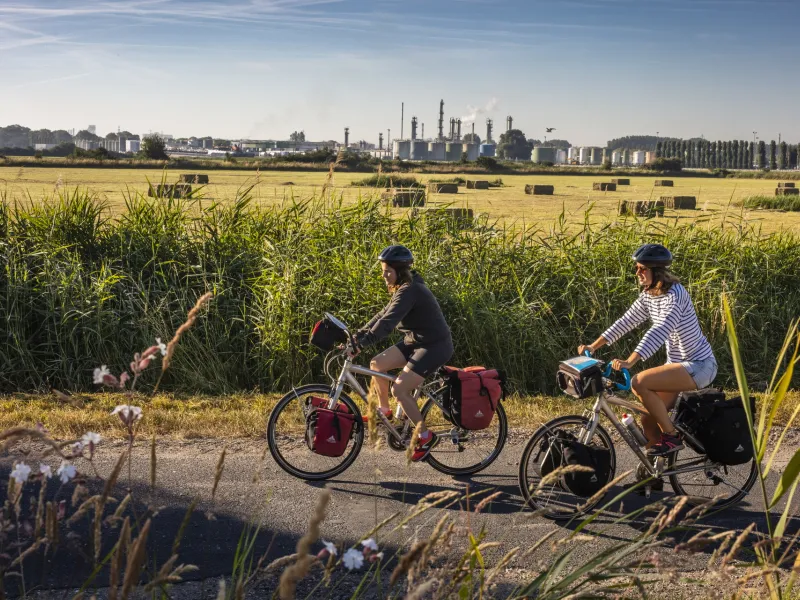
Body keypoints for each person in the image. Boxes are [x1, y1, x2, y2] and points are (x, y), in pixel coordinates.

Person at [579, 243, 717, 458]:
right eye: (637, 268)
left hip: (699, 366)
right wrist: (593, 346)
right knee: (647, 419)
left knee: (639, 382)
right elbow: (626, 321)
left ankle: (671, 437)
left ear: (656, 271)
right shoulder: (649, 295)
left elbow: (660, 329)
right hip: (678, 366)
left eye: (642, 268)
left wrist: (630, 361)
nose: (637, 272)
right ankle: (655, 477)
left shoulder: (675, 295)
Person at [350, 245, 454, 462]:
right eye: (382, 270)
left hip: (434, 346)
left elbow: (388, 323)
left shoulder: (410, 290)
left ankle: (425, 436)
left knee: (400, 389)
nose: (383, 275)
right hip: (415, 341)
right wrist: (357, 337)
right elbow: (382, 315)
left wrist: (363, 342)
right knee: (377, 363)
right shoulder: (403, 288)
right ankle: (384, 411)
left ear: (399, 270)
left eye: (387, 271)